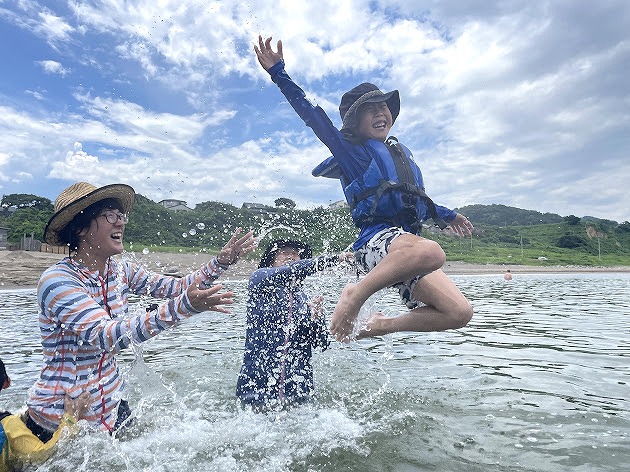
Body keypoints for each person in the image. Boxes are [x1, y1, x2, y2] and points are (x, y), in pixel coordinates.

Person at [254, 36, 474, 342]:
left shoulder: (398, 156)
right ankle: (355, 296)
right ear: (355, 122)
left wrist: (449, 216)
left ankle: (380, 326)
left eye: (383, 106)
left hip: (405, 252)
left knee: (459, 312)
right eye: (370, 109)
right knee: (432, 252)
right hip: (376, 244)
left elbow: (418, 203)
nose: (380, 112)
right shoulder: (352, 151)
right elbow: (312, 116)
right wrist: (279, 73)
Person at [25, 182, 256, 438]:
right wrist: (184, 307)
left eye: (121, 216)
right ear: (79, 227)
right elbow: (106, 335)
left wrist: (220, 263)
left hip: (111, 407)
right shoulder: (57, 280)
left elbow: (177, 287)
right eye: (110, 216)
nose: (120, 223)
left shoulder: (121, 270)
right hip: (58, 417)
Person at [236, 239, 352, 411]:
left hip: (300, 392)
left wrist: (316, 319)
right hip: (256, 391)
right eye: (283, 252)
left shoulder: (303, 299)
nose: (291, 255)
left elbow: (321, 343)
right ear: (271, 260)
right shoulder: (259, 279)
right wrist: (336, 258)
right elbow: (291, 271)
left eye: (296, 253)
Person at [1, 358, 90, 472]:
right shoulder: (8, 425)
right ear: (7, 382)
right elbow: (43, 456)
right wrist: (70, 418)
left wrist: (22, 417)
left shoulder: (10, 423)